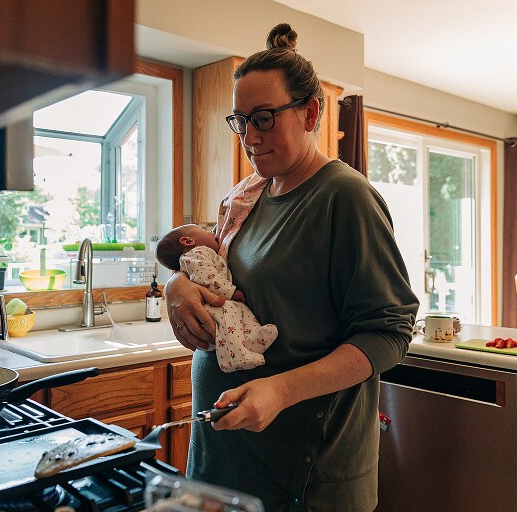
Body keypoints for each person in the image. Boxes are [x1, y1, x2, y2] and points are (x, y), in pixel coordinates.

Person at [164, 23, 419, 512]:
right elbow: (215, 263)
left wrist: (282, 389)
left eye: (263, 118)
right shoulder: (251, 194)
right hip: (226, 459)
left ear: (311, 113)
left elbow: (388, 334)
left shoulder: (345, 198)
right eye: (240, 122)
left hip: (306, 473)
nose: (250, 137)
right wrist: (179, 286)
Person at [155, 223, 278, 372]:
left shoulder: (202, 252)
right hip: (214, 304)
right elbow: (208, 278)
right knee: (229, 321)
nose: (214, 233)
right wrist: (231, 292)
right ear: (188, 241)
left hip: (221, 304)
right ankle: (234, 357)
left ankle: (251, 340)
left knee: (240, 314)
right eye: (205, 230)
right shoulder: (197, 253)